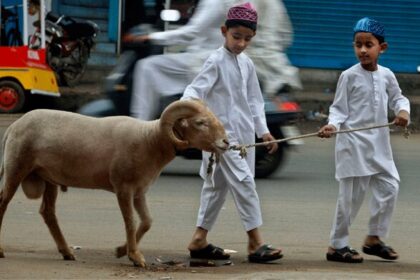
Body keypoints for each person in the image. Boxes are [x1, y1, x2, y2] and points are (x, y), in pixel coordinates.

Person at [181, 2, 283, 263]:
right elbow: (194, 92)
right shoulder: (215, 61)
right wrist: (186, 116)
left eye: (247, 39)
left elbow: (255, 101)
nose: (240, 43)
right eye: (236, 37)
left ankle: (198, 240)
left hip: (245, 137)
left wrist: (264, 132)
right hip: (221, 140)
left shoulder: (247, 63)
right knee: (245, 183)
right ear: (224, 31)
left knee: (216, 189)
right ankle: (255, 243)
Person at [318, 17, 410, 263]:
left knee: (390, 186)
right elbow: (338, 109)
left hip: (379, 144)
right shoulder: (348, 76)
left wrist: (403, 112)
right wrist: (332, 125)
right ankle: (337, 246)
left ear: (382, 48)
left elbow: (399, 99)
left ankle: (374, 238)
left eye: (368, 44)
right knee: (350, 200)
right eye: (358, 44)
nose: (362, 50)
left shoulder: (387, 75)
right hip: (353, 145)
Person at [129, 0, 301, 120]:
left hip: (206, 58)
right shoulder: (274, 4)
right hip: (267, 62)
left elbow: (192, 32)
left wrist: (151, 37)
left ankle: (139, 127)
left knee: (148, 66)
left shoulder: (217, 1)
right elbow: (286, 36)